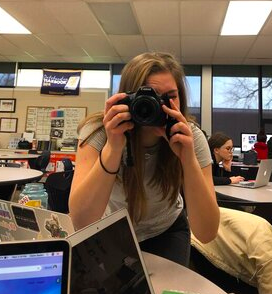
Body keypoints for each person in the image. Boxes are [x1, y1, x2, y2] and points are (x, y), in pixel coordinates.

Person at [69, 52, 220, 267]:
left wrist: (188, 160)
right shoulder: (99, 132)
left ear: (181, 99)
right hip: (112, 229)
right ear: (125, 97)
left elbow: (206, 233)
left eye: (169, 97)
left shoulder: (191, 136)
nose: (155, 106)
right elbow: (82, 221)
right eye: (147, 97)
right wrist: (113, 148)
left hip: (167, 230)